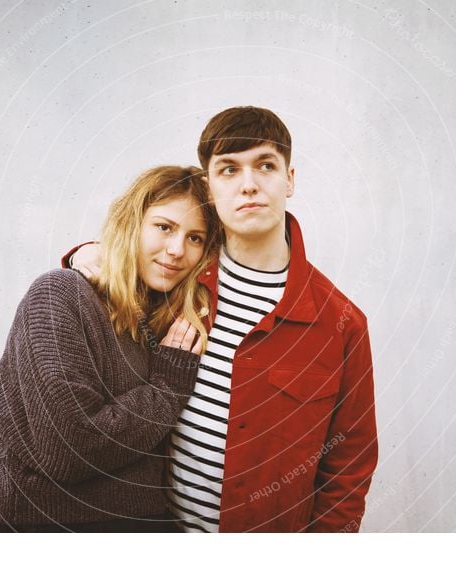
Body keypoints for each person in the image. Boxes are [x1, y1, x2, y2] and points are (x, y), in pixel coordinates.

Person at [65, 106, 378, 532]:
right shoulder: (179, 277)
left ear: (289, 179)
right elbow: (120, 265)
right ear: (209, 187)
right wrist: (82, 253)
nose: (248, 185)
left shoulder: (341, 323)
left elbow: (350, 464)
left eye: (265, 166)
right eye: (229, 170)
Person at [0, 165, 220, 532]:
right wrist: (168, 387)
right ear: (131, 223)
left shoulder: (168, 320)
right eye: (164, 227)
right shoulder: (60, 296)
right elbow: (70, 450)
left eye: (195, 238)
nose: (176, 250)